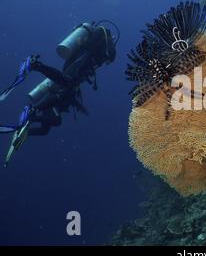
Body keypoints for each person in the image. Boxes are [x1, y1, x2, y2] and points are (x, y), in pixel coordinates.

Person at [0, 21, 119, 167]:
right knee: (66, 82)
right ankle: (35, 66)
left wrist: (80, 107)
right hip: (77, 64)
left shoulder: (99, 41)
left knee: (47, 127)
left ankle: (27, 123)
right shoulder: (103, 35)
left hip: (77, 68)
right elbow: (111, 56)